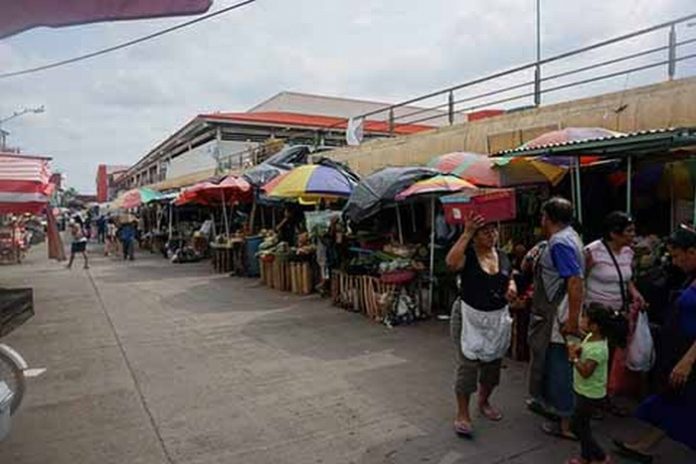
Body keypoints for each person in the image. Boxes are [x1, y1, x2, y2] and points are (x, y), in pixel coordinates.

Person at [614, 225, 696, 462]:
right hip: (681, 353)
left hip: (690, 357)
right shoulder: (689, 276)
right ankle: (644, 446)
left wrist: (688, 361)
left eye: (678, 256)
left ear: (692, 252)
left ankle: (644, 446)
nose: (675, 261)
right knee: (676, 403)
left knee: (681, 403)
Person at [446, 212, 517, 438]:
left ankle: (484, 402)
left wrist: (512, 286)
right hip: (469, 317)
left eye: (493, 230)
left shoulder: (504, 255)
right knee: (468, 367)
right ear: (474, 237)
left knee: (492, 367)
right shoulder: (467, 255)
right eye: (484, 231)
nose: (491, 234)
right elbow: (450, 263)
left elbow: (510, 274)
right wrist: (466, 232)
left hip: (496, 319)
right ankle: (462, 413)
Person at [527, 197, 585, 441]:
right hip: (560, 312)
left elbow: (574, 281)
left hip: (557, 316)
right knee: (559, 363)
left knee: (559, 365)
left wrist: (571, 320)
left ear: (546, 218)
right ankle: (559, 413)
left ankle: (565, 421)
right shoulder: (571, 236)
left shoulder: (560, 242)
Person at [585, 211, 646, 415]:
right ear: (613, 233)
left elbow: (626, 279)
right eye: (629, 231)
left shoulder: (628, 252)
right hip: (596, 316)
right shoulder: (592, 252)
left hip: (618, 314)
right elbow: (578, 280)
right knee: (593, 358)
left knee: (611, 358)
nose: (633, 235)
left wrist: (635, 294)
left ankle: (605, 398)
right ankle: (588, 402)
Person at [566, 305, 615, 464]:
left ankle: (600, 456)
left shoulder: (599, 349)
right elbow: (583, 348)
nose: (582, 320)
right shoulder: (591, 337)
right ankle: (586, 457)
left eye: (585, 317)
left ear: (595, 325)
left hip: (590, 394)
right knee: (583, 426)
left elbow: (586, 372)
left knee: (576, 426)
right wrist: (576, 349)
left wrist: (574, 358)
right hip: (582, 390)